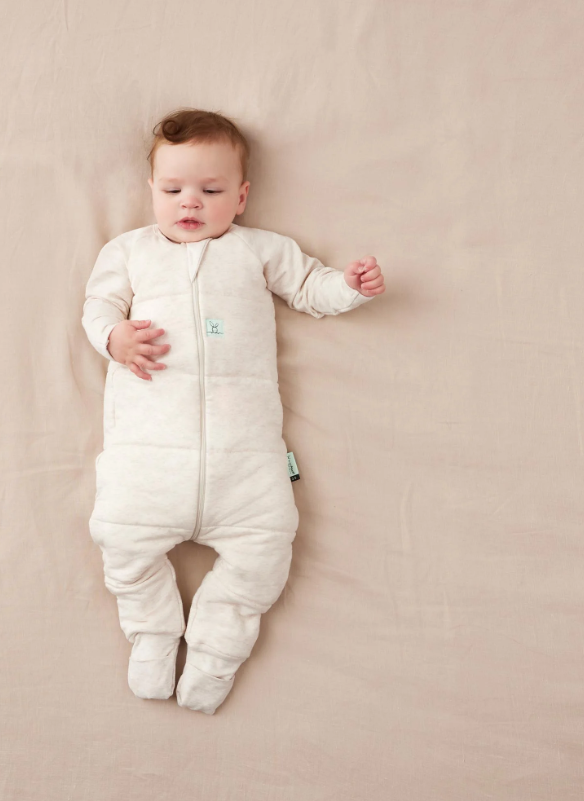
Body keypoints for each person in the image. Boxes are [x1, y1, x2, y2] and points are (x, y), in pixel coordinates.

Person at [81, 108, 386, 715]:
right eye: (173, 190)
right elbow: (98, 306)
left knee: (267, 550)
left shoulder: (259, 250)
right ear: (152, 190)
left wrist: (349, 287)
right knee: (120, 540)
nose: (190, 202)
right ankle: (152, 634)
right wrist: (114, 338)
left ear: (241, 197)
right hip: (148, 458)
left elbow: (310, 287)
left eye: (212, 190)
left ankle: (216, 651)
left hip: (244, 461)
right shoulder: (130, 251)